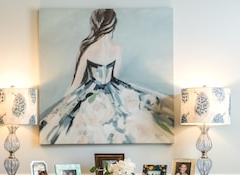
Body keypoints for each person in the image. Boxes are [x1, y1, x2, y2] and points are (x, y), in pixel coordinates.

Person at [39, 9, 173, 145]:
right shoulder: (117, 49)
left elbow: (76, 83)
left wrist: (62, 104)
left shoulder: (88, 49)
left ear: (95, 24)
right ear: (113, 25)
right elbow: (114, 76)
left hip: (89, 94)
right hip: (112, 91)